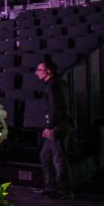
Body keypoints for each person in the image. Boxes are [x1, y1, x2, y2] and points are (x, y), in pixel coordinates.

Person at [34, 60, 72, 198]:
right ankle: (50, 186)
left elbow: (56, 109)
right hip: (58, 125)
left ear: (48, 71)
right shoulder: (58, 84)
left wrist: (49, 127)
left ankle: (64, 190)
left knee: (58, 159)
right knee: (45, 156)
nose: (36, 73)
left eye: (39, 70)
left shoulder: (53, 86)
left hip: (57, 127)